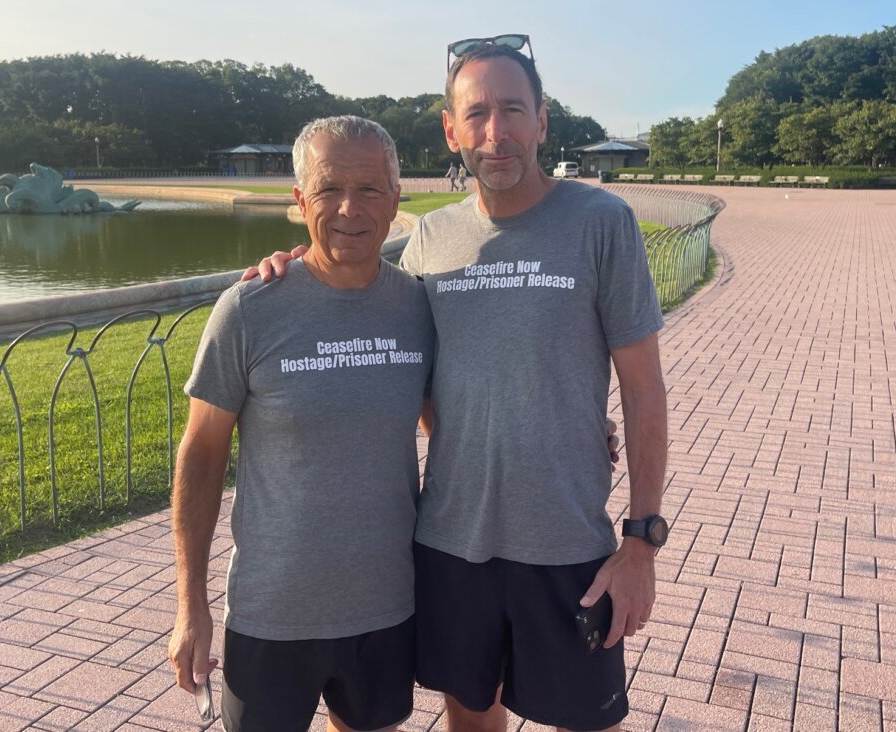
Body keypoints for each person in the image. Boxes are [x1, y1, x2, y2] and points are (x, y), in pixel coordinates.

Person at [246, 37, 669, 732]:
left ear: (542, 119)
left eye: (512, 110)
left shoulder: (601, 223)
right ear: (451, 128)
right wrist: (294, 273)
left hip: (568, 542)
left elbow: (645, 390)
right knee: (472, 719)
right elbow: (396, 355)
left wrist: (641, 543)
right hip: (451, 543)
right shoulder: (429, 241)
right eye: (476, 114)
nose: (495, 133)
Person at [167, 115, 434, 732]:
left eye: (370, 189)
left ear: (396, 199)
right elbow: (201, 456)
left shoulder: (420, 307)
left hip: (386, 605)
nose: (349, 208)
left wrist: (583, 427)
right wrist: (191, 604)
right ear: (299, 200)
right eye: (328, 189)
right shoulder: (249, 308)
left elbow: (455, 419)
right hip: (272, 612)